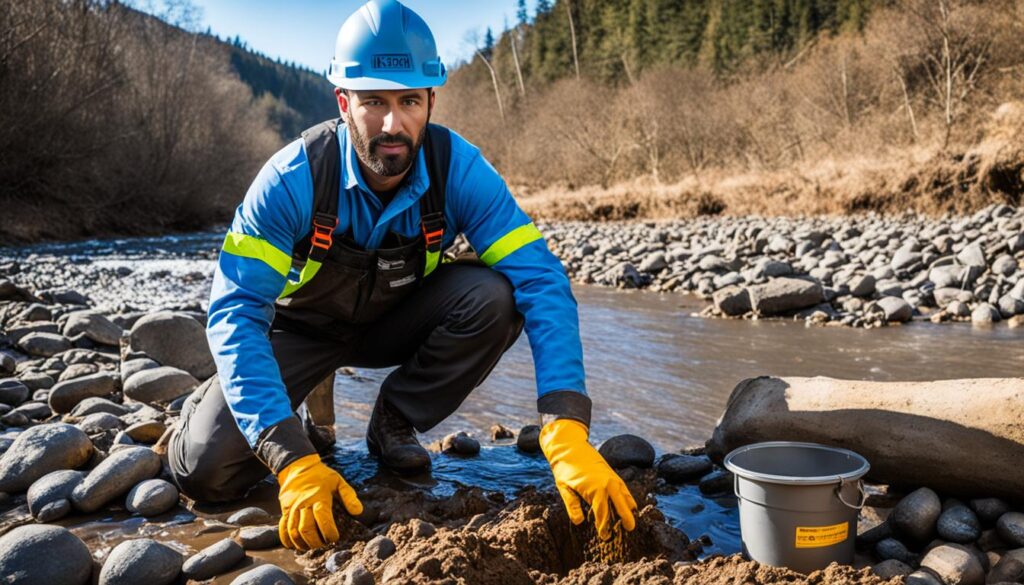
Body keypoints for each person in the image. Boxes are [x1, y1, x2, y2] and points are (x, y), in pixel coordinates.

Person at [167, 0, 636, 552]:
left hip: (394, 320)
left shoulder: (460, 170)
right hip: (297, 333)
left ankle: (392, 420)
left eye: (410, 101)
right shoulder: (289, 181)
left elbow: (542, 280)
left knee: (497, 294)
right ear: (343, 102)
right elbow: (237, 312)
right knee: (204, 471)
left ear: (431, 100)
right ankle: (215, 406)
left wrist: (565, 424)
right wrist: (290, 459)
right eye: (374, 102)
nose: (394, 124)